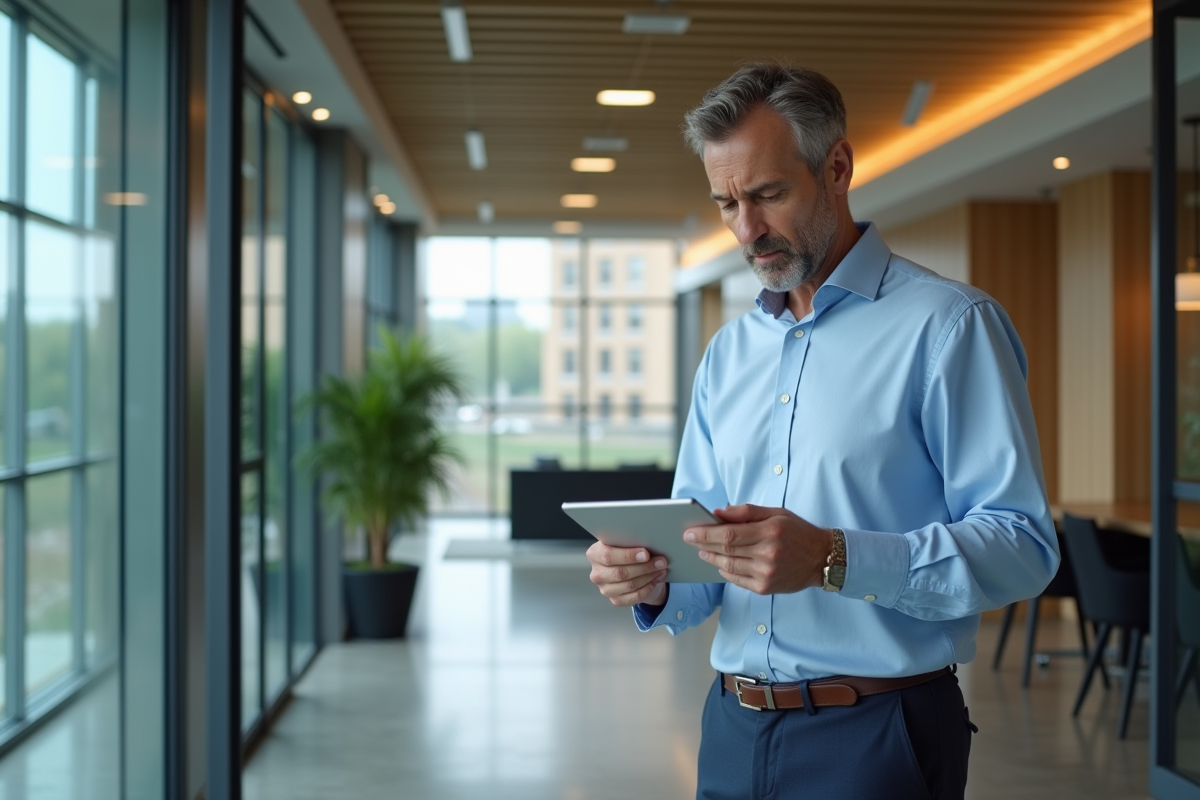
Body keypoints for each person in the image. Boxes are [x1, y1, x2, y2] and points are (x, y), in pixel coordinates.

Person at [585, 63, 1059, 800]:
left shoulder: (949, 327)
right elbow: (701, 552)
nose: (747, 230)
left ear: (836, 167)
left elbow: (1022, 548)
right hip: (731, 728)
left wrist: (834, 558)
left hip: (879, 733)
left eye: (768, 194)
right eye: (727, 203)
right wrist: (650, 579)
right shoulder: (728, 353)